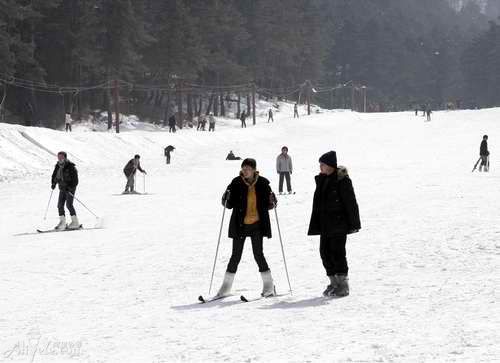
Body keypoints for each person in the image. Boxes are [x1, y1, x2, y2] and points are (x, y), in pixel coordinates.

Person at [216, 158, 278, 298]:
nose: (245, 171)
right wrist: (225, 198)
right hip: (240, 225)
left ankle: (269, 286)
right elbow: (229, 204)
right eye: (243, 168)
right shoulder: (236, 183)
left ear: (254, 170)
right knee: (235, 256)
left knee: (258, 254)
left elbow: (270, 205)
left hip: (257, 225)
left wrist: (272, 201)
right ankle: (226, 287)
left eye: (248, 168)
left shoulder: (263, 183)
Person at [308, 151, 361, 298]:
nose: (320, 167)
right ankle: (333, 282)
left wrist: (354, 224)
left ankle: (343, 284)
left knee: (337, 253)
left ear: (330, 165)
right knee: (324, 253)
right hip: (325, 224)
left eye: (322, 164)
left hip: (339, 223)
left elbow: (351, 203)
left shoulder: (342, 180)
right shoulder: (322, 180)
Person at [51, 151, 79, 230]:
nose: (60, 159)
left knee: (69, 205)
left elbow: (75, 180)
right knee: (60, 205)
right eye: (58, 157)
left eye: (61, 157)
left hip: (70, 188)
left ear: (65, 158)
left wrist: (70, 187)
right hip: (62, 188)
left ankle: (75, 222)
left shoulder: (70, 166)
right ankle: (62, 223)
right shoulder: (57, 166)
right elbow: (54, 176)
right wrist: (53, 183)